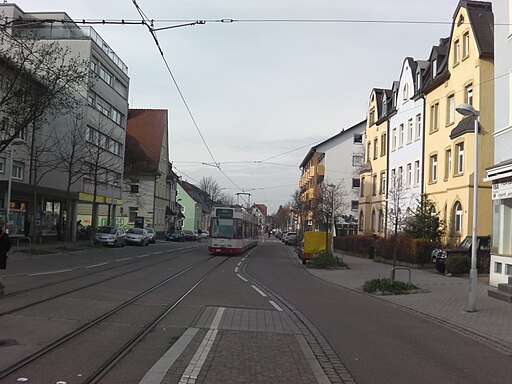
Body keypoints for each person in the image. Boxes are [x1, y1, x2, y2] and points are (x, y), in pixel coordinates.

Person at [0, 219, 11, 290]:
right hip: (1, 255)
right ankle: (0, 286)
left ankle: (0, 286)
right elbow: (8, 246)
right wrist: (4, 251)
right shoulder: (5, 235)